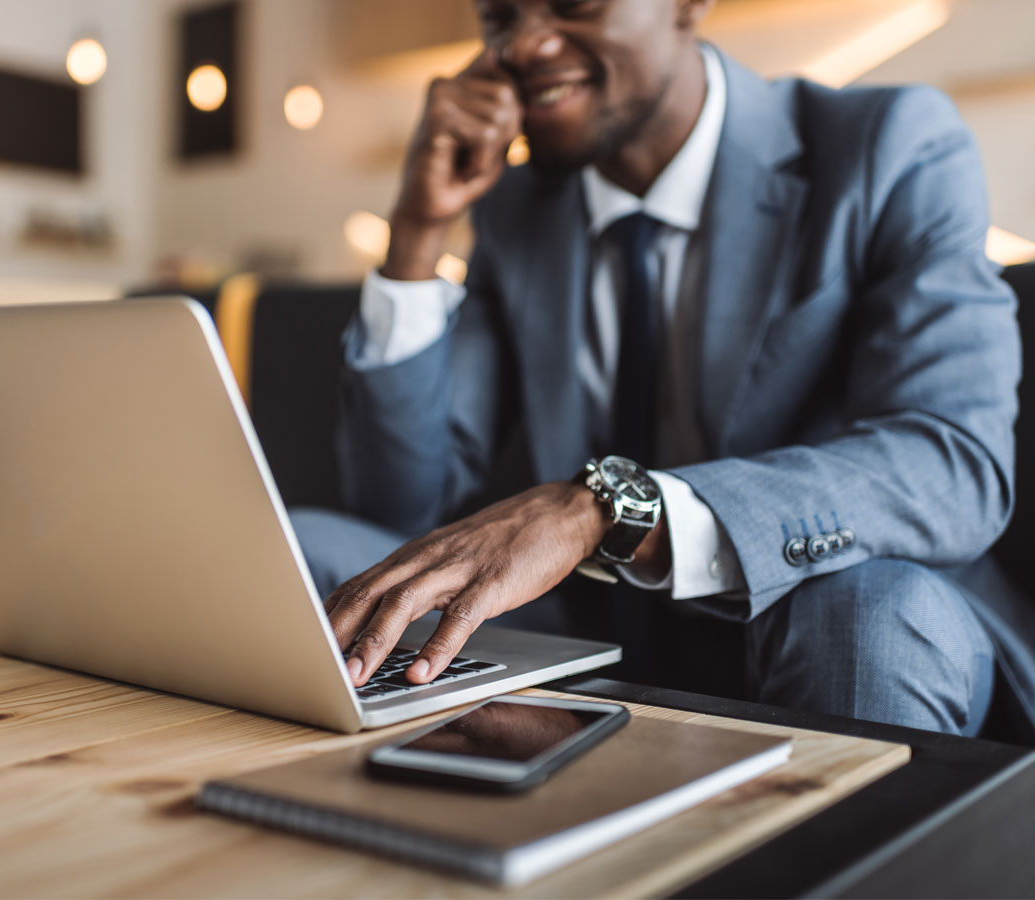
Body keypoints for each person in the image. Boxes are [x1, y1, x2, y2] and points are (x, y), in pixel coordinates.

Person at [292, 0, 1027, 737]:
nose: (527, 44)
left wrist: (608, 511)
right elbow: (401, 509)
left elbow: (953, 464)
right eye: (500, 15)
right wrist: (418, 234)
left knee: (867, 614)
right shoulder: (517, 209)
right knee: (309, 555)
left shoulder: (890, 143)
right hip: (595, 622)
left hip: (820, 617)